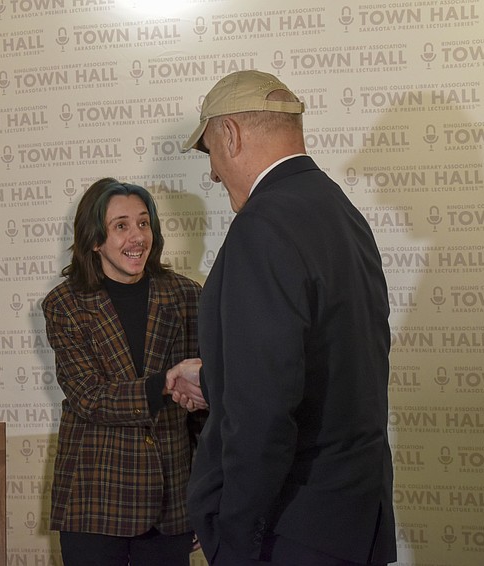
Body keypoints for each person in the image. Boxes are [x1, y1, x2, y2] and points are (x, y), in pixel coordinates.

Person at [168, 70, 396, 565]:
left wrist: (234, 540)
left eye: (209, 152)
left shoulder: (261, 228)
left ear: (229, 134)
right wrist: (217, 376)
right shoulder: (342, 213)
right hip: (353, 524)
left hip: (290, 533)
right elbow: (328, 363)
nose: (211, 174)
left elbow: (264, 413)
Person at [41, 178, 205, 566]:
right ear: (95, 239)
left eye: (144, 223)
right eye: (121, 226)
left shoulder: (187, 296)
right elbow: (88, 395)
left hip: (172, 501)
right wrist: (162, 384)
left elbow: (202, 411)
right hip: (95, 497)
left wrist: (206, 493)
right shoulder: (64, 304)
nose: (137, 237)